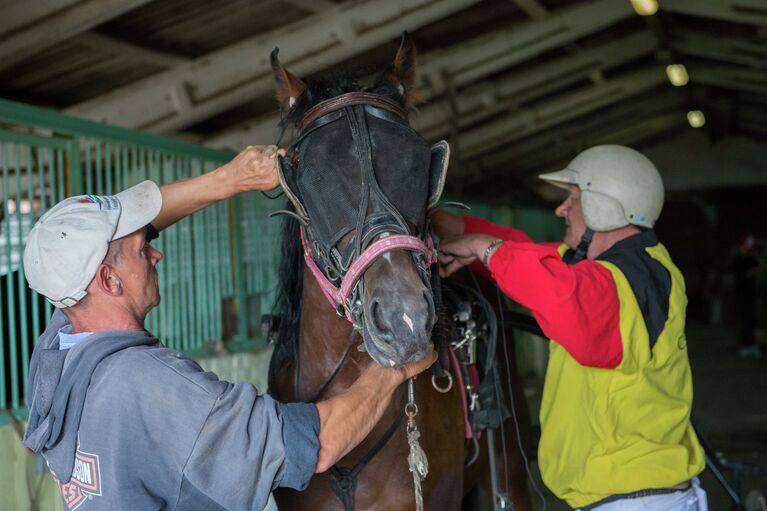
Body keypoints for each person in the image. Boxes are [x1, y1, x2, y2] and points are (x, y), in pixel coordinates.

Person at [21, 144, 435, 511]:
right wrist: (393, 368)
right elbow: (318, 444)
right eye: (142, 249)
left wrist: (231, 179)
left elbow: (130, 236)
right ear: (109, 281)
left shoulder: (57, 352)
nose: (157, 254)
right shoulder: (149, 387)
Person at [433, 145, 707, 511]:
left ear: (606, 207)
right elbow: (533, 254)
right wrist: (458, 229)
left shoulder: (624, 281)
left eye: (573, 199)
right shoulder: (625, 265)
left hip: (636, 501)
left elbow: (560, 292)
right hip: (632, 495)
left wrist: (486, 248)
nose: (561, 209)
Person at [730, 235, 762, 359]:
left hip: (751, 295)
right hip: (742, 296)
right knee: (745, 321)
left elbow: (758, 268)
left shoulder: (750, 257)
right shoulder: (737, 258)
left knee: (751, 321)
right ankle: (744, 346)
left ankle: (751, 345)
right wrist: (750, 272)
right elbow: (739, 276)